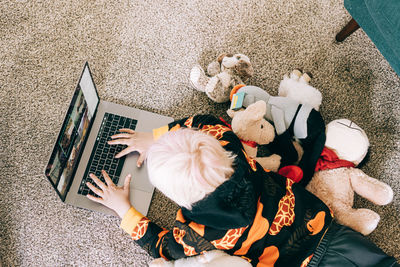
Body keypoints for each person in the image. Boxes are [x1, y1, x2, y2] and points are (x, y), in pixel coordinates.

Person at [86, 115, 399, 267]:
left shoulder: (196, 232)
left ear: (180, 198)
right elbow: (205, 121)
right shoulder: (228, 144)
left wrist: (123, 211)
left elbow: (163, 247)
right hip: (330, 234)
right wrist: (156, 136)